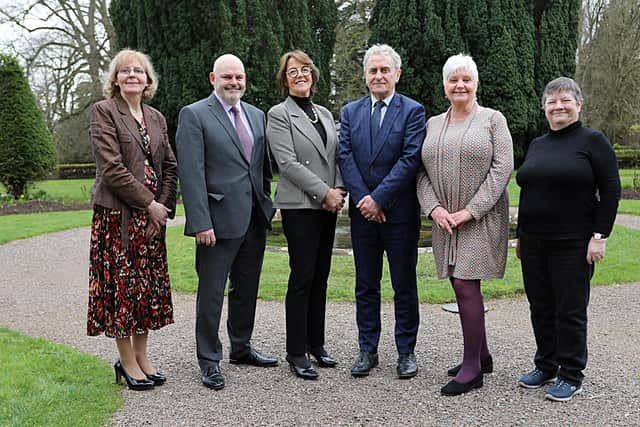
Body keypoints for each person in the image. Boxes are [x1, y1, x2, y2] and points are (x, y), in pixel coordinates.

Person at [176, 54, 277, 391]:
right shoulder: (194, 114)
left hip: (253, 218)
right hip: (216, 223)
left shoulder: (256, 115)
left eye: (239, 77)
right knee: (212, 293)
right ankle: (209, 360)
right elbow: (191, 174)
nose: (234, 83)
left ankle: (242, 347)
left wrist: (266, 204)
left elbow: (261, 167)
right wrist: (200, 223)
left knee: (246, 289)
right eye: (227, 77)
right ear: (212, 78)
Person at [516, 77, 620, 402]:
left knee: (569, 310)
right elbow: (529, 190)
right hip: (534, 243)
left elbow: (611, 191)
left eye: (565, 100)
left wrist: (599, 236)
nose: (558, 106)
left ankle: (571, 373)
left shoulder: (593, 141)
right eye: (552, 101)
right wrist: (521, 236)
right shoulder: (538, 144)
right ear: (544, 107)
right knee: (541, 307)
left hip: (572, 243)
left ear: (579, 104)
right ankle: (545, 364)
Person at [416, 54, 514, 396]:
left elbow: (502, 170)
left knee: (464, 283)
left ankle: (472, 368)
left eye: (466, 79)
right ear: (445, 86)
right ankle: (482, 354)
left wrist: (470, 211)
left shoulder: (492, 120)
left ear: (475, 84)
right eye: (453, 80)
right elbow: (421, 172)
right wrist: (434, 209)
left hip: (480, 217)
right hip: (446, 220)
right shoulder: (432, 124)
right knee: (461, 282)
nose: (460, 85)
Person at [87, 49, 178, 390]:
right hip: (118, 218)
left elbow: (169, 166)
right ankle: (126, 362)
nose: (132, 76)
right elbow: (111, 168)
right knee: (122, 291)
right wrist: (148, 204)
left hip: (152, 220)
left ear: (147, 79)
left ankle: (142, 357)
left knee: (145, 291)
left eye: (138, 71)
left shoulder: (156, 117)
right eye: (124, 71)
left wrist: (163, 206)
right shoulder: (104, 112)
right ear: (115, 79)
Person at [338, 44, 426, 379]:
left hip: (400, 215)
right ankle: (367, 349)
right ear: (365, 75)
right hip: (363, 216)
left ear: (397, 74)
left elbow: (410, 159)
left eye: (384, 70)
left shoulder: (413, 111)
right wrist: (365, 200)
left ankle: (406, 352)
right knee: (366, 285)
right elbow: (345, 157)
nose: (378, 75)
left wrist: (380, 199)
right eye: (373, 70)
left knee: (404, 285)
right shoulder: (350, 112)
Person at [267, 50, 345, 380]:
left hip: (328, 204)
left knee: (321, 276)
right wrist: (324, 192)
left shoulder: (325, 113)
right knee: (302, 277)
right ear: (284, 80)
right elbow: (287, 164)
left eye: (305, 70)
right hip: (300, 205)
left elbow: (337, 156)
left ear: (313, 75)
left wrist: (339, 191)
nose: (300, 75)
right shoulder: (278, 114)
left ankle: (317, 343)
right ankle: (296, 351)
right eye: (293, 71)